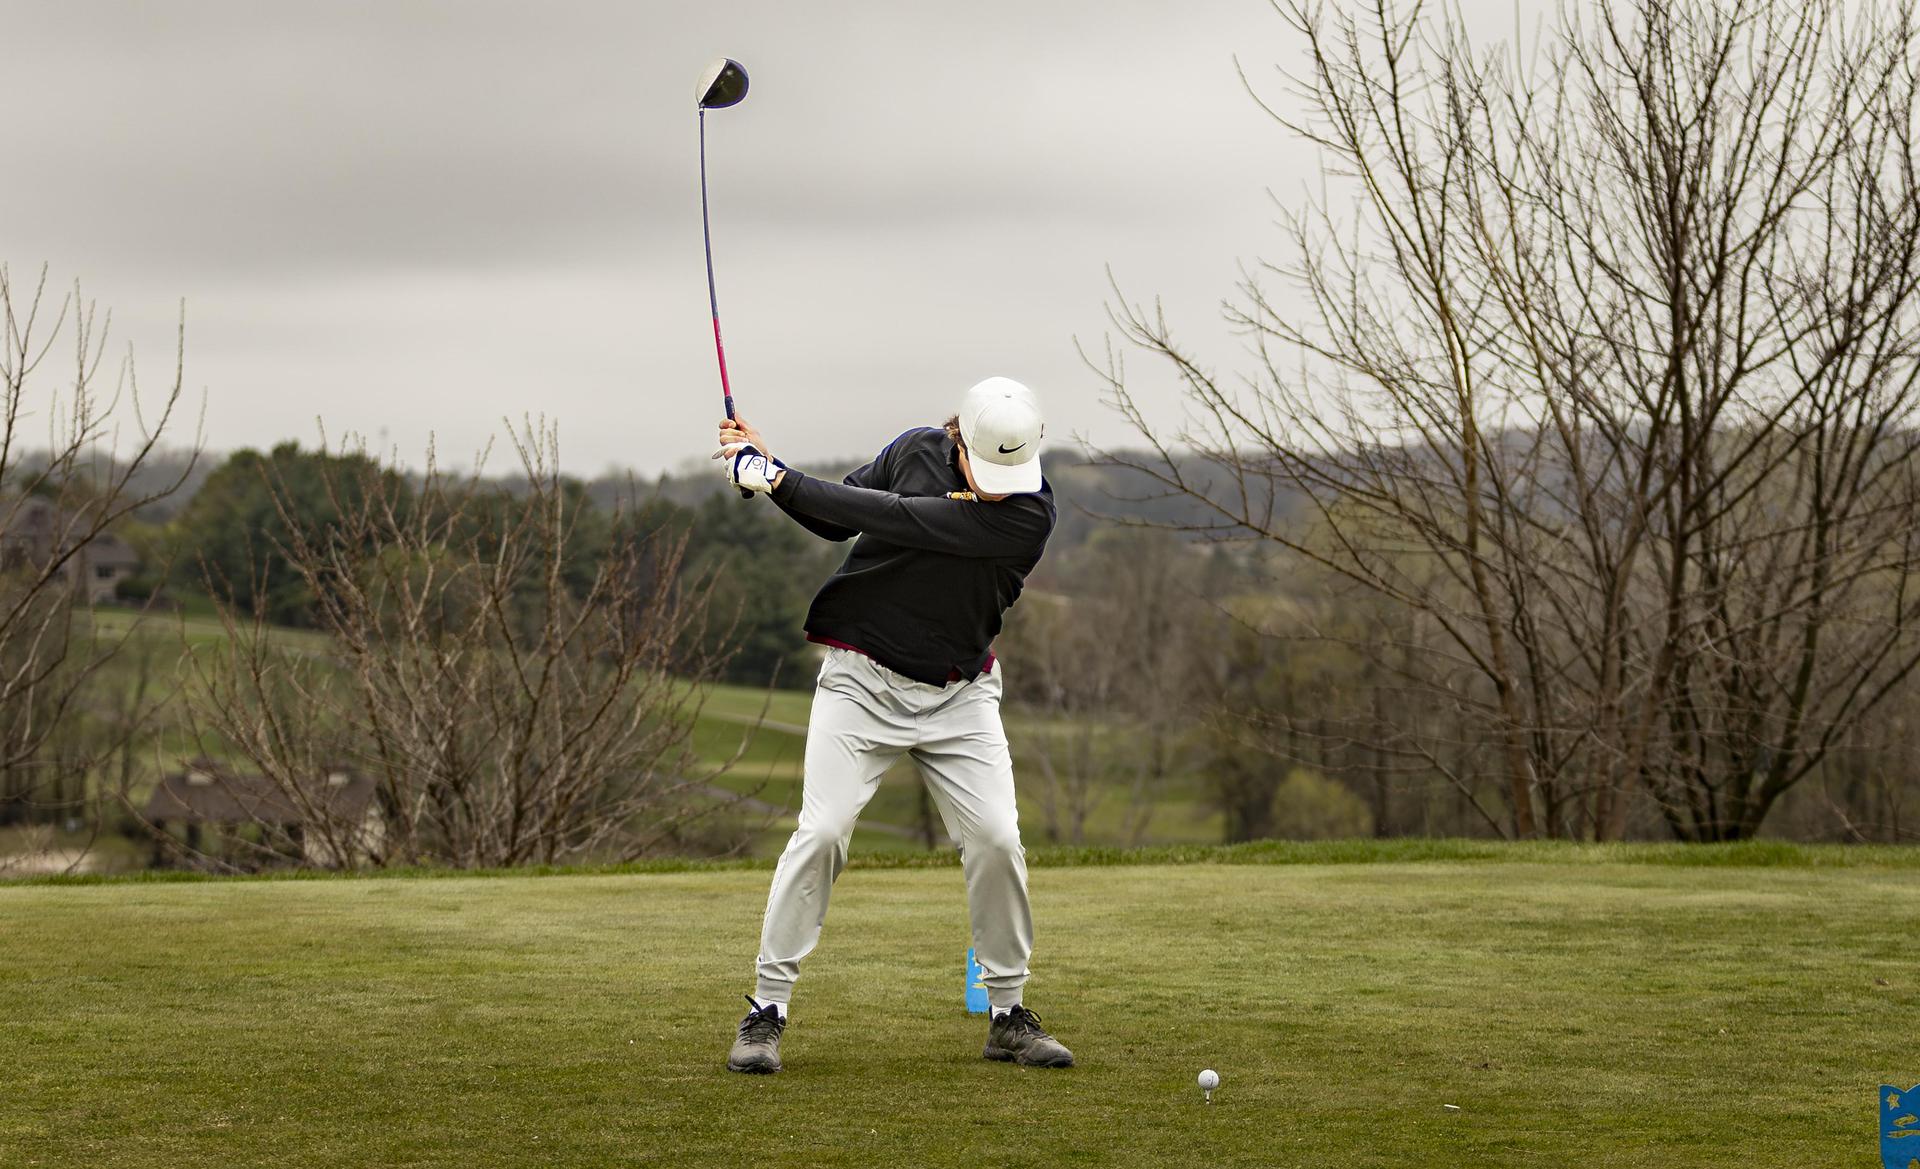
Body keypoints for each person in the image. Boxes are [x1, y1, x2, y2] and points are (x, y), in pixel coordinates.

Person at [712, 376, 1074, 1075]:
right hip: (862, 679)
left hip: (958, 693)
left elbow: (903, 518)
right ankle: (766, 1010)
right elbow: (838, 516)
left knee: (998, 838)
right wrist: (764, 472)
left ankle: (1007, 1014)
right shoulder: (913, 449)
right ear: (958, 439)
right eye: (986, 469)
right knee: (820, 831)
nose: (1002, 486)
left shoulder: (1028, 516)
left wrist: (779, 477)